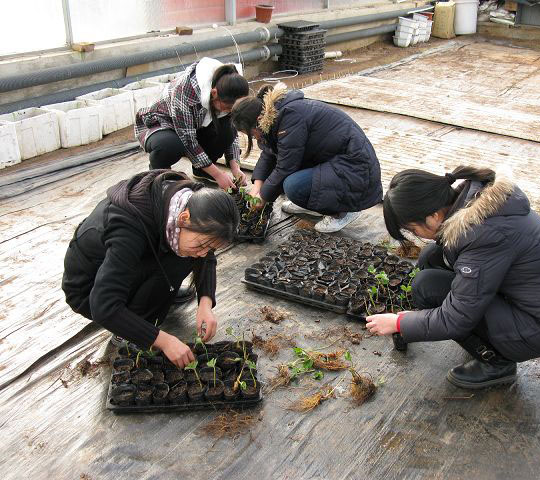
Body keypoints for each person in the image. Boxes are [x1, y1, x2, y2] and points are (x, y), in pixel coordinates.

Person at [365, 166, 540, 389]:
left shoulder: (483, 234)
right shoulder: (472, 204)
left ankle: (497, 363)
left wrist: (399, 323)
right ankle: (486, 340)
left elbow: (456, 318)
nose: (415, 236)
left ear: (433, 216)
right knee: (432, 256)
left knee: (427, 287)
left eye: (412, 229)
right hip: (534, 305)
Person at [61, 170, 239, 368]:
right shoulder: (129, 228)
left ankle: (157, 296)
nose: (204, 252)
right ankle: (126, 331)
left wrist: (205, 302)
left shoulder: (189, 203)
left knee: (187, 253)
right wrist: (163, 341)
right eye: (203, 244)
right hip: (88, 287)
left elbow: (206, 253)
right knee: (178, 260)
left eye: (210, 247)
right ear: (184, 218)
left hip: (129, 263)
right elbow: (103, 306)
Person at [230, 83, 383, 233]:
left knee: (293, 186)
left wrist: (263, 197)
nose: (254, 138)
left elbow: (285, 167)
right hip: (336, 163)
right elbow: (269, 153)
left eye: (251, 134)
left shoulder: (290, 117)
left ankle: (343, 212)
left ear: (258, 120)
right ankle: (313, 204)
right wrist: (257, 187)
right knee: (286, 183)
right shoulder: (275, 116)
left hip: (355, 169)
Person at [135, 58, 250, 190]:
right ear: (214, 93)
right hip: (162, 124)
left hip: (193, 125)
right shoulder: (185, 92)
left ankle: (201, 170)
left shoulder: (229, 89)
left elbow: (231, 132)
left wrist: (235, 167)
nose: (229, 111)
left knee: (227, 129)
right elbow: (188, 141)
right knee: (170, 145)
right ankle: (159, 175)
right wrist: (218, 174)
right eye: (228, 108)